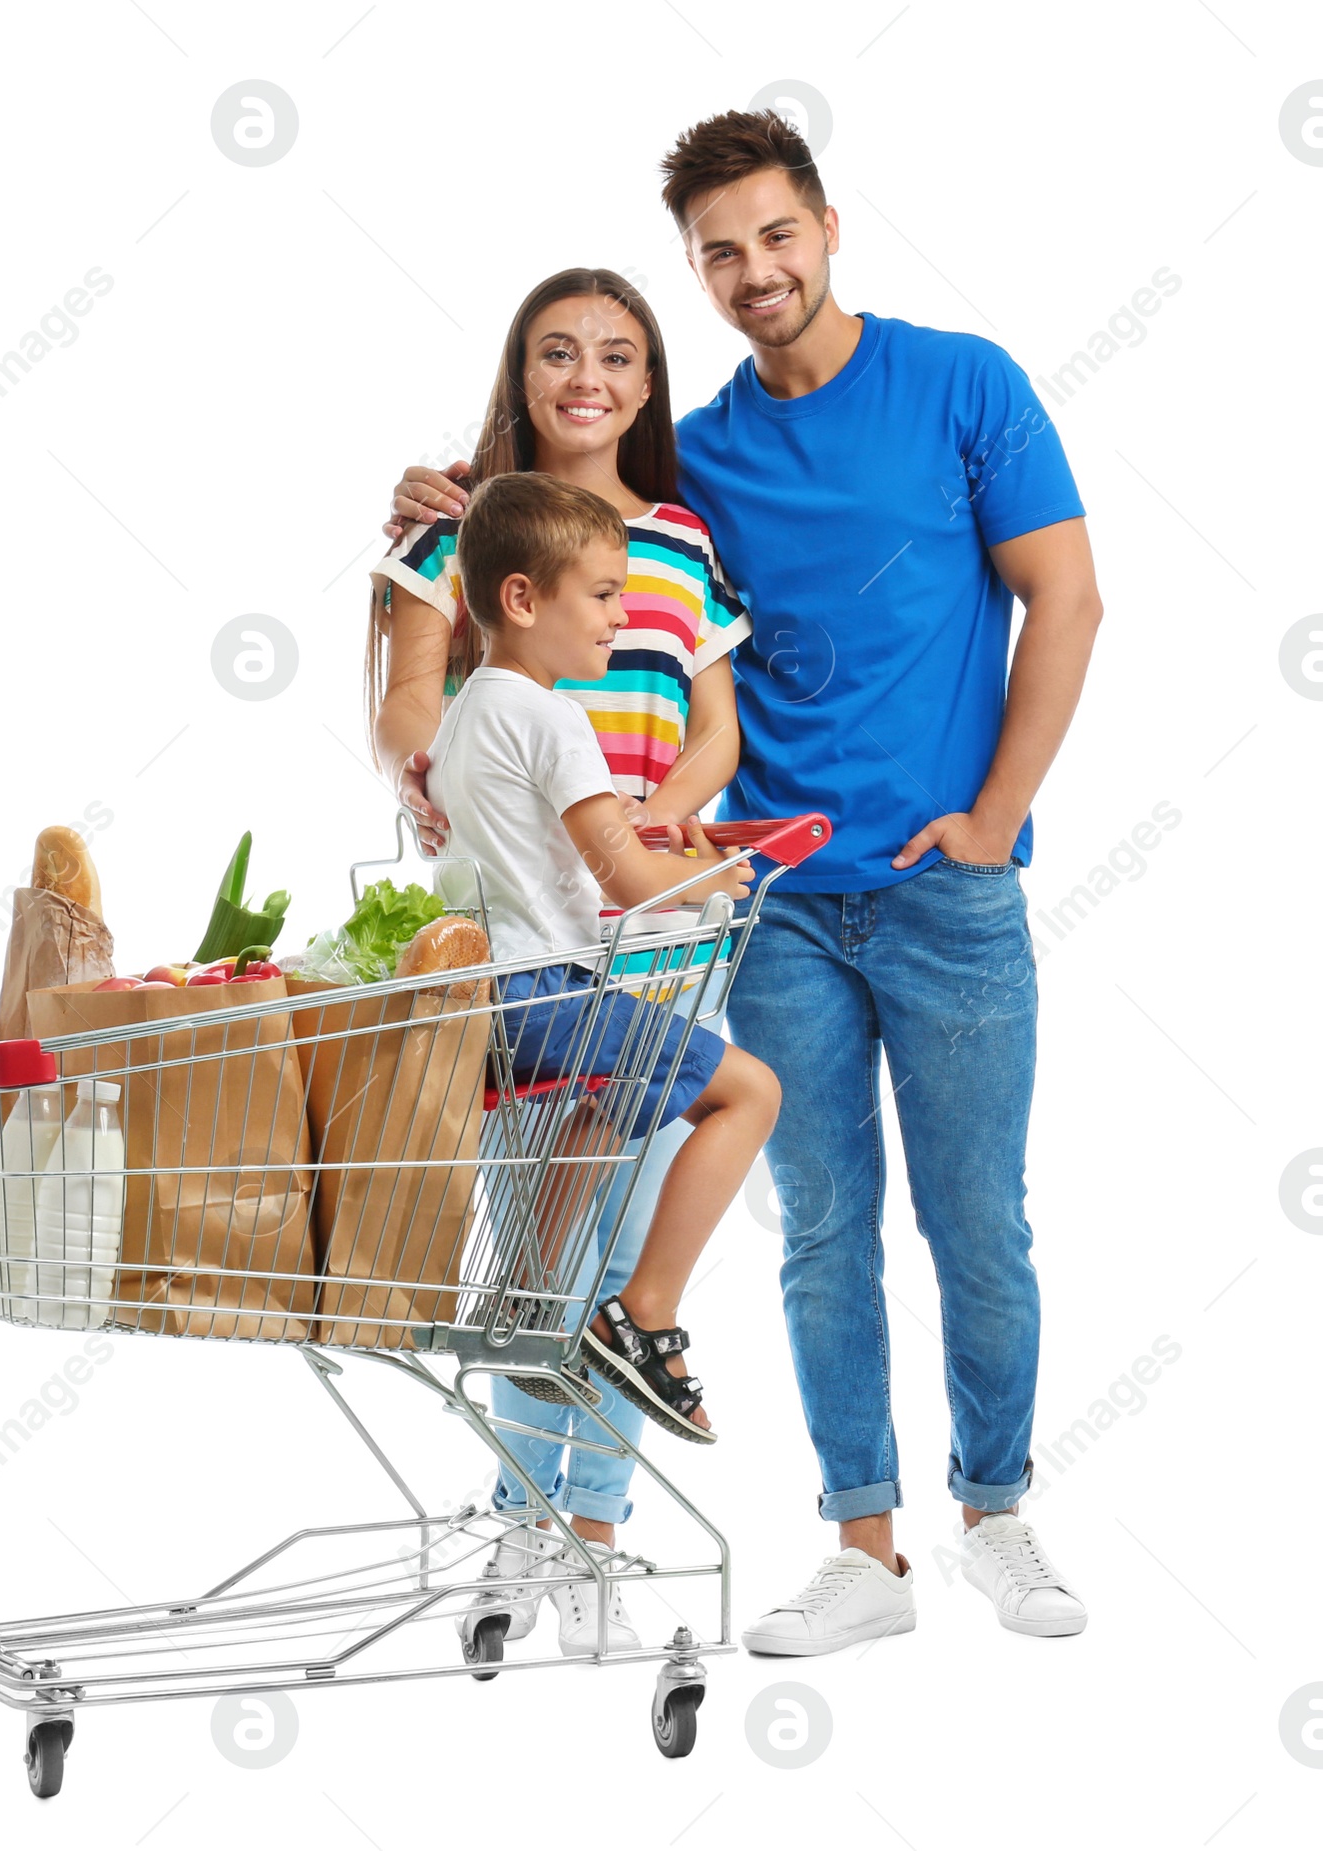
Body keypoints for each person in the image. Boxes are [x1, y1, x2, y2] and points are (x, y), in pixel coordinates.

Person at [383, 111, 1104, 1650]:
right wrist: (444, 500)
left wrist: (994, 814)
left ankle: (999, 1512)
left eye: (775, 235)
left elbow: (1068, 595)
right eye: (721, 251)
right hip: (758, 913)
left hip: (939, 892)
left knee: (979, 1217)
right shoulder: (694, 463)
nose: (754, 270)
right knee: (822, 1226)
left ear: (827, 226)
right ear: (697, 272)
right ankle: (865, 1549)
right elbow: (553, 521)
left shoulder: (962, 384)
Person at [366, 269, 752, 1657]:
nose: (586, 376)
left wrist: (665, 821)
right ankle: (534, 1519)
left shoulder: (686, 540)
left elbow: (712, 721)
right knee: (545, 1242)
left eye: (618, 355)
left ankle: (581, 1530)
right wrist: (428, 762)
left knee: (618, 1236)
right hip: (528, 932)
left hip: (662, 929)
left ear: (650, 386)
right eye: (556, 352)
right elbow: (410, 689)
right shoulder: (461, 515)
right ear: (521, 371)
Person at [424, 469, 780, 1626]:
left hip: (491, 1005)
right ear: (523, 599)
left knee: (603, 1108)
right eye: (604, 599)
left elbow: (561, 861)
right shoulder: (555, 716)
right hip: (547, 991)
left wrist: (669, 859)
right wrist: (722, 877)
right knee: (747, 1094)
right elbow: (624, 880)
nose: (622, 622)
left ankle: (539, 1291)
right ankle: (646, 1313)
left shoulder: (474, 706)